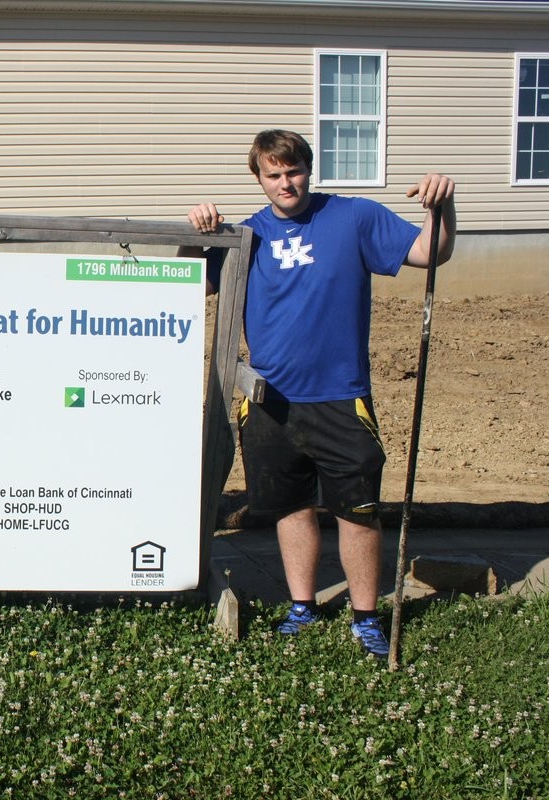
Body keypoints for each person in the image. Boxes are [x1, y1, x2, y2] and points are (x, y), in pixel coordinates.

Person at [181, 129, 456, 659]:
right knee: (290, 507)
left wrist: (443, 207)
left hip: (340, 395)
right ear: (259, 179)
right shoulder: (245, 236)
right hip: (267, 398)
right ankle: (302, 606)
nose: (287, 183)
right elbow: (194, 285)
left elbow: (430, 252)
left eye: (295, 171)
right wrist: (197, 236)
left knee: (358, 510)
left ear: (310, 168)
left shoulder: (354, 218)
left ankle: (365, 615)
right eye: (274, 175)